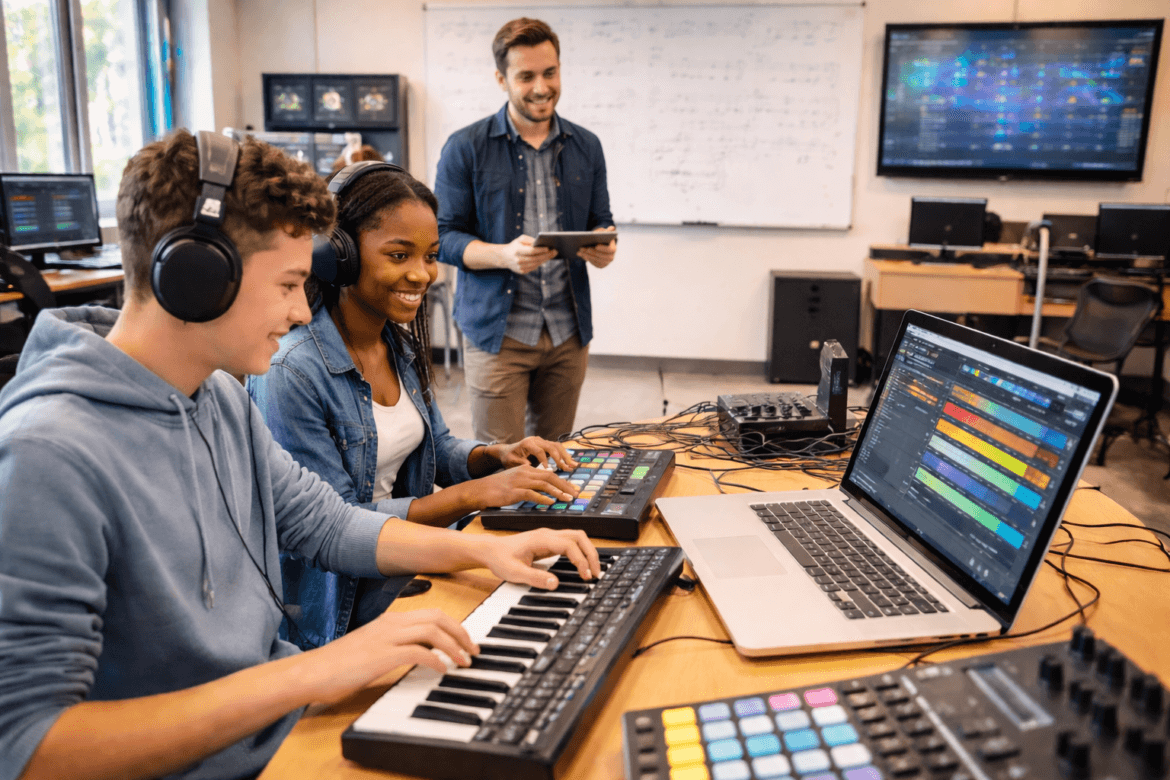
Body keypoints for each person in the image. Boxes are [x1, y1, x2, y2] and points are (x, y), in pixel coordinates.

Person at [0, 129, 600, 780]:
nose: (296, 312)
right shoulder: (46, 456)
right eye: (288, 284)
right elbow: (29, 747)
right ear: (199, 276)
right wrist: (310, 671)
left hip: (280, 729)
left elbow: (325, 522)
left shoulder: (217, 399)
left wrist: (482, 550)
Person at [247, 161, 583, 647]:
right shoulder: (293, 371)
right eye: (399, 254)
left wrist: (492, 457)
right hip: (343, 596)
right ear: (336, 254)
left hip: (400, 559)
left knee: (549, 582)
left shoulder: (395, 341)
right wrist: (475, 495)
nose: (421, 274)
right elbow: (339, 524)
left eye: (429, 255)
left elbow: (436, 446)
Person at [434, 17, 617, 444]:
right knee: (501, 466)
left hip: (567, 331)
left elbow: (601, 219)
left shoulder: (586, 145)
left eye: (550, 73)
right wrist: (502, 255)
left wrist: (602, 245)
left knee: (556, 457)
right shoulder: (466, 147)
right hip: (497, 336)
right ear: (502, 79)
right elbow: (441, 238)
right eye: (526, 76)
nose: (541, 87)